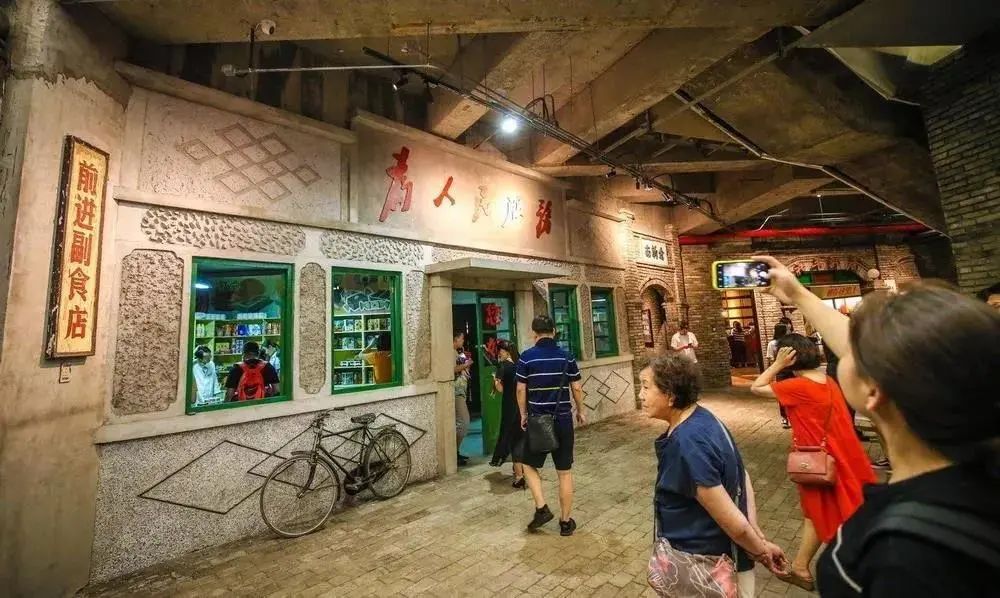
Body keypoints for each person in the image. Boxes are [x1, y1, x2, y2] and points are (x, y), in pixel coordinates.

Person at [754, 254, 1000, 597]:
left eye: (856, 355)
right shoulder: (980, 478)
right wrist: (798, 294)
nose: (847, 351)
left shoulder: (898, 554)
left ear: (874, 391)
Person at [641, 354, 788, 598]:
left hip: (709, 571)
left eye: (646, 387)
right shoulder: (704, 418)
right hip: (723, 561)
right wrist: (757, 534)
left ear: (671, 395)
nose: (641, 395)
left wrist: (760, 550)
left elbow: (732, 522)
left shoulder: (687, 444)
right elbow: (742, 475)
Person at [750, 334, 876, 591]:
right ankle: (801, 566)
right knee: (816, 513)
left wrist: (777, 365)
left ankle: (814, 566)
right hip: (838, 458)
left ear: (790, 357)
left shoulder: (798, 386)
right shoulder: (829, 382)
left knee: (819, 513)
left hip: (814, 463)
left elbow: (756, 387)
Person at [516, 315, 586, 536]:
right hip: (563, 419)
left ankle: (542, 507)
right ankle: (565, 523)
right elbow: (577, 388)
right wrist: (581, 410)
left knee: (528, 464)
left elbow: (520, 390)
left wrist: (523, 414)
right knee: (564, 472)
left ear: (534, 333)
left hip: (538, 421)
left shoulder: (526, 358)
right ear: (554, 331)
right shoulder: (567, 356)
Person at [489, 339, 525, 488]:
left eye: (501, 351)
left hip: (510, 407)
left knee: (513, 440)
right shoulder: (521, 364)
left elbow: (500, 389)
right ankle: (522, 470)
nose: (499, 354)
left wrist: (495, 381)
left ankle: (519, 476)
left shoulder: (503, 366)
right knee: (521, 439)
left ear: (507, 352)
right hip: (523, 406)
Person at [453, 331, 473, 466]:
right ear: (455, 339)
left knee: (460, 423)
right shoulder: (450, 352)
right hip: (457, 392)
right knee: (464, 422)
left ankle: (456, 452)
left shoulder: (457, 352)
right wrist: (466, 365)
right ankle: (453, 453)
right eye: (461, 339)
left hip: (461, 391)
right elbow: (452, 369)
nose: (463, 341)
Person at [767, 324, 792, 428]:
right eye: (787, 329)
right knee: (782, 395)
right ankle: (785, 417)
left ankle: (791, 417)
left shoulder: (790, 342)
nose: (789, 331)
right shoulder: (773, 344)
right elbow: (771, 359)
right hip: (781, 372)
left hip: (792, 370)